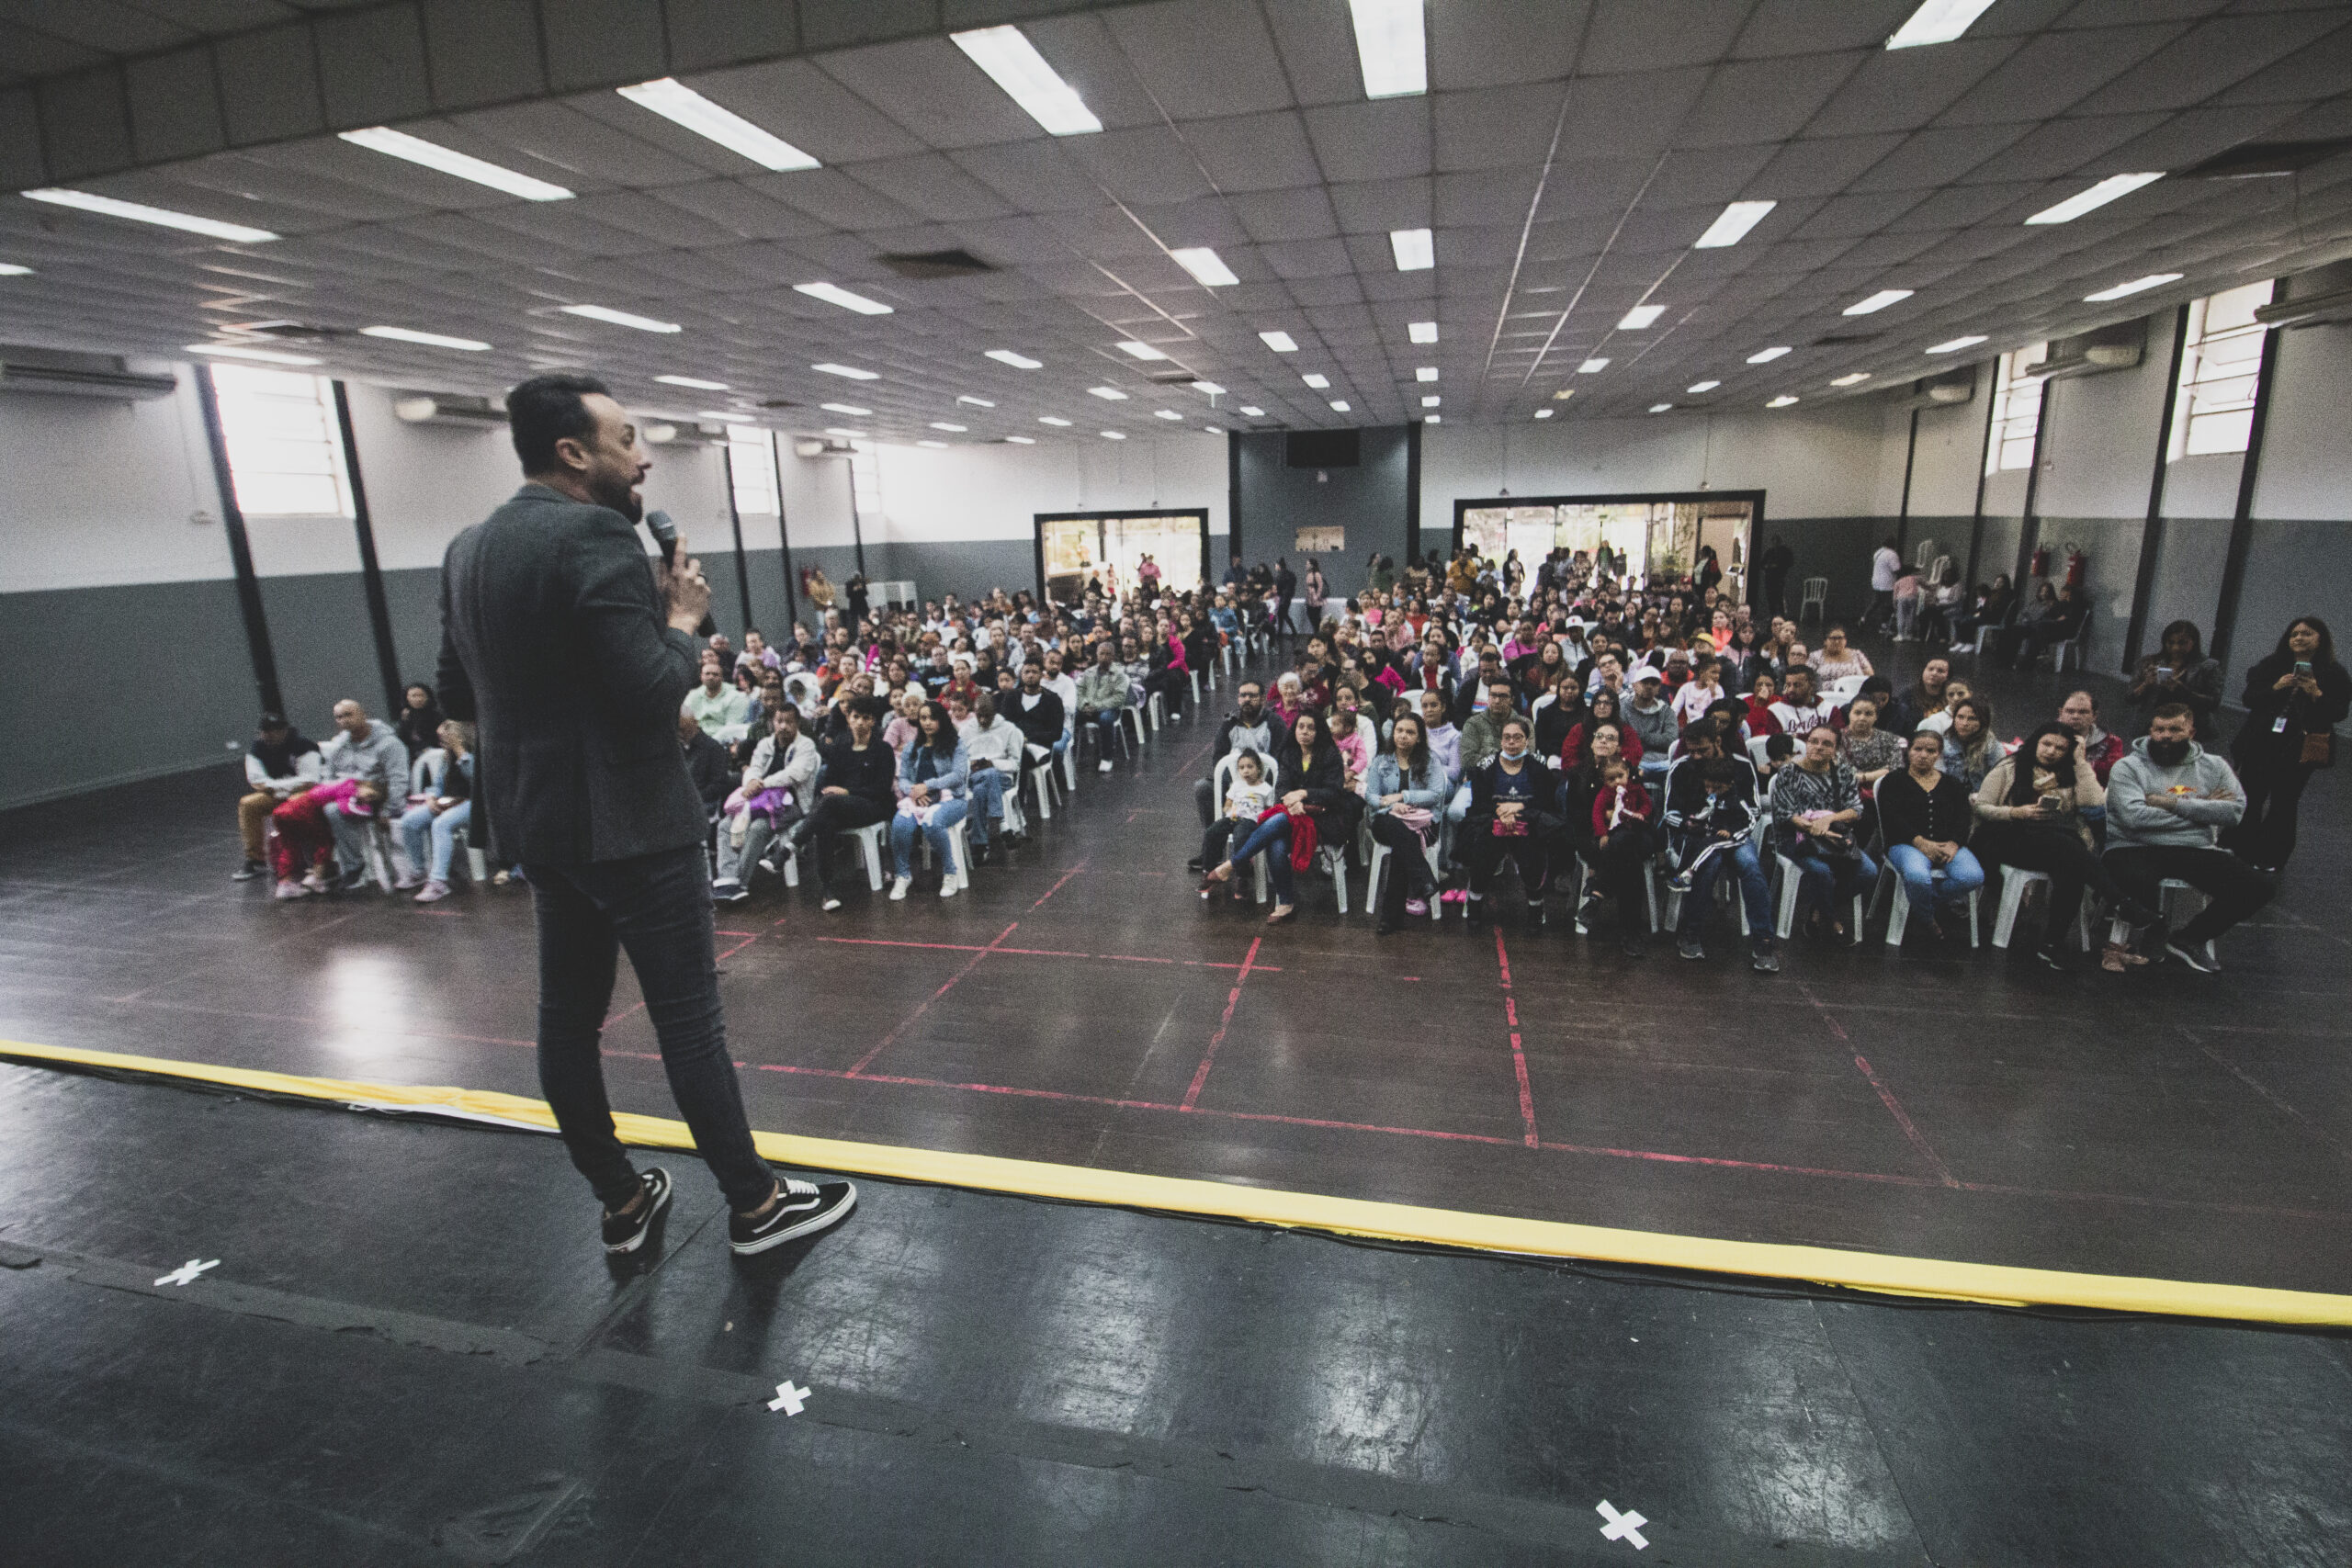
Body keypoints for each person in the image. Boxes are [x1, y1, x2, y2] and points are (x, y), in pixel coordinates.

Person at [436, 371, 854, 1258]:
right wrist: (685, 620)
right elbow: (652, 692)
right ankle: (755, 1205)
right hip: (632, 822)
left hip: (538, 827)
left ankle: (622, 1199)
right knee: (689, 1022)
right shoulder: (595, 536)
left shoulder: (468, 547)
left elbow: (453, 697)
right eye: (628, 439)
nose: (646, 455)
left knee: (566, 1019)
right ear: (573, 453)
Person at [2109, 705, 2275, 972]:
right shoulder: (2127, 767)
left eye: (2175, 729)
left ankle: (2189, 938)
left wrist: (2172, 804)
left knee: (2259, 887)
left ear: (2191, 732)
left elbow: (2234, 813)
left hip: (2194, 847)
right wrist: (2203, 808)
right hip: (2135, 846)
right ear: (2150, 731)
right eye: (2159, 729)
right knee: (2133, 876)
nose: (2166, 736)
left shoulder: (2215, 766)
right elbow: (2133, 818)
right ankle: (2156, 927)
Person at [1971, 724, 2151, 970]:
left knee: (2071, 869)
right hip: (2005, 837)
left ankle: (2052, 943)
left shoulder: (2071, 771)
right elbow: (1982, 806)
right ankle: (2120, 901)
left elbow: (2094, 801)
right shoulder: (2011, 767)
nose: (2051, 751)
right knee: (2068, 847)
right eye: (2047, 744)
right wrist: (2015, 812)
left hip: (2054, 843)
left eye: (2060, 748)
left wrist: (2080, 761)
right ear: (2036, 742)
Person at [2225, 615, 2349, 873]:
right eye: (2294, 634)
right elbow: (2250, 698)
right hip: (2263, 740)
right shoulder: (2272, 665)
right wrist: (2277, 686)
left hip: (2300, 745)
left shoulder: (2334, 672)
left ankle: (2270, 856)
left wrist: (2316, 692)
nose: (2299, 638)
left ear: (2320, 639)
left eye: (2307, 634)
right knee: (2251, 794)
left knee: (2285, 800)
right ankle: (2239, 847)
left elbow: (2338, 713)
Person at [1202, 711, 1345, 923]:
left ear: (1319, 731)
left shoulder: (1330, 755)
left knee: (1276, 822)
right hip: (1291, 814)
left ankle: (1230, 865)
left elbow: (1334, 793)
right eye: (1301, 727)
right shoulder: (1289, 754)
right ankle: (1286, 902)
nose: (1304, 731)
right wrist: (1292, 801)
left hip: (1322, 819)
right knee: (1276, 843)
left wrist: (1303, 796)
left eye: (1310, 727)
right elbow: (1281, 790)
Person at [1875, 728, 1984, 944]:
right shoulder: (1893, 781)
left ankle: (1921, 904)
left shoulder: (1952, 784)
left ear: (1939, 754)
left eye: (1930, 750)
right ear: (1909, 752)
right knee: (1917, 877)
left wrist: (1955, 843)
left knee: (1973, 876)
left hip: (1947, 843)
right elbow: (1891, 819)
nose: (1923, 755)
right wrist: (1920, 842)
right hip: (1906, 843)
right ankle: (1927, 919)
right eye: (1918, 749)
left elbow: (1964, 818)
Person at [1771, 726, 1875, 942]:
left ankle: (1818, 910)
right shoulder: (1789, 772)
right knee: (1821, 871)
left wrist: (1828, 820)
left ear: (1835, 749)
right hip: (1796, 837)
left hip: (1834, 838)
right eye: (1813, 741)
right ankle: (1831, 919)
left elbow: (1856, 810)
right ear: (1806, 743)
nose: (1818, 747)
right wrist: (1813, 828)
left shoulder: (1843, 771)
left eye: (1826, 744)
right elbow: (1785, 814)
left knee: (1869, 871)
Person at [792, 696, 896, 910]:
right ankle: (827, 889)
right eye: (855, 717)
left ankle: (792, 845)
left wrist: (847, 791)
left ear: (872, 722)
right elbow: (829, 782)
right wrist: (840, 794)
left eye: (865, 718)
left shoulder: (883, 749)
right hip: (842, 806)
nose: (859, 722)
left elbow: (881, 789)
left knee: (828, 804)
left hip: (873, 807)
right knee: (825, 822)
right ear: (848, 719)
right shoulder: (840, 746)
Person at [1560, 722, 1655, 956]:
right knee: (1624, 853)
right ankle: (1630, 931)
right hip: (1593, 834)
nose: (1604, 741)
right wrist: (1605, 817)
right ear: (1591, 743)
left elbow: (1645, 804)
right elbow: (1575, 815)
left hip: (1633, 830)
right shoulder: (1579, 773)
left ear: (1619, 747)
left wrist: (1630, 818)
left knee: (1625, 845)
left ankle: (1597, 892)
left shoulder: (1629, 772)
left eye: (1610, 738)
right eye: (1599, 736)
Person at [713, 704, 818, 902]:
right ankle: (727, 879)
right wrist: (751, 781)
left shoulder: (806, 746)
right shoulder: (765, 744)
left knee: (759, 828)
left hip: (791, 805)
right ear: (773, 723)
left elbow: (796, 774)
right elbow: (754, 768)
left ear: (797, 723)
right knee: (725, 825)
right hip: (759, 802)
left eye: (789, 721)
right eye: (779, 721)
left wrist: (762, 783)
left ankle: (739, 883)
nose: (783, 726)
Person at [1460, 716, 1557, 931]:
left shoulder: (1539, 766)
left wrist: (1519, 808)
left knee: (1532, 850)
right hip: (1492, 818)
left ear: (1526, 740)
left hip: (1529, 818)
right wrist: (1500, 812)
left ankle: (1535, 907)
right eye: (1507, 737)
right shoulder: (1486, 766)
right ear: (1501, 740)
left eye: (1517, 737)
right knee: (1485, 847)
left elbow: (1545, 800)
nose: (1512, 742)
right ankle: (1474, 901)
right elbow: (1480, 802)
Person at [1367, 711, 1447, 934]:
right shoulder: (1381, 762)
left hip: (1421, 823)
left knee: (1403, 844)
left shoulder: (1430, 760)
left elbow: (1436, 794)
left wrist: (1404, 797)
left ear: (1419, 737)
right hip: (1386, 820)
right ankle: (1424, 879)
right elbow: (1372, 797)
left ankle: (1389, 919)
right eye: (1399, 731)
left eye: (1410, 732)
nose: (1403, 736)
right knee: (1395, 827)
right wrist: (1392, 807)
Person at [319, 698, 411, 887]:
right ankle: (328, 867)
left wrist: (389, 810)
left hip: (378, 797)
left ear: (363, 715)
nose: (344, 720)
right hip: (347, 795)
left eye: (349, 715)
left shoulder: (389, 744)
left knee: (333, 811)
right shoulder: (338, 746)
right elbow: (327, 776)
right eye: (339, 717)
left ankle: (355, 867)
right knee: (313, 811)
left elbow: (398, 780)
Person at [888, 700, 969, 900]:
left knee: (932, 822)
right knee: (899, 824)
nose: (927, 722)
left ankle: (950, 872)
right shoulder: (911, 748)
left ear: (942, 720)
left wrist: (929, 785)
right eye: (923, 718)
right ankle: (903, 875)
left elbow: (958, 775)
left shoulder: (955, 744)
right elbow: (904, 778)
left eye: (933, 718)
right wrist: (915, 791)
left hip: (952, 799)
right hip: (919, 798)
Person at [269, 774, 387, 898]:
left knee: (290, 846)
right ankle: (316, 878)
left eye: (371, 800)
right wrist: (370, 812)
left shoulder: (343, 783)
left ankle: (284, 884)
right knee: (325, 842)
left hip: (284, 810)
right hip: (306, 809)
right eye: (370, 795)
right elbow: (346, 808)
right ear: (364, 785)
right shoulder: (350, 789)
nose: (367, 800)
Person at [234, 713, 322, 880]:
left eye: (275, 731)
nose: (269, 735)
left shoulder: (303, 746)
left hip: (305, 793)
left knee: (296, 802)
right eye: (265, 731)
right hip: (277, 793)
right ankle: (255, 861)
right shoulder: (257, 748)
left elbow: (310, 780)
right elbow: (256, 781)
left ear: (285, 731)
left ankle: (314, 858)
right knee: (248, 804)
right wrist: (284, 787)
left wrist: (277, 787)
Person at [395, 718, 474, 903]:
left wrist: (461, 752)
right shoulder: (446, 758)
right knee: (410, 820)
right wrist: (431, 798)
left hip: (474, 803)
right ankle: (418, 870)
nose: (442, 743)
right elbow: (438, 784)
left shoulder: (475, 754)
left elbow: (475, 779)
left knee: (441, 824)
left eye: (446, 739)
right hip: (448, 801)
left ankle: (438, 882)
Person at [1197, 749, 1276, 899]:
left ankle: (1242, 877)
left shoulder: (1265, 789)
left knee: (1240, 839)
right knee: (1212, 832)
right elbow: (1227, 804)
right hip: (1233, 817)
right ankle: (1209, 870)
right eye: (1242, 768)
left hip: (1250, 821)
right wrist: (1230, 810)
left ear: (1258, 768)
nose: (1246, 771)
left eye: (1250, 767)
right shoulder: (1237, 785)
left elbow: (1268, 810)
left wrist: (1262, 822)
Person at [2129, 620, 2223, 738]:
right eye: (2171, 642)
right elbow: (2130, 698)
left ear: (2193, 643)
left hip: (2191, 730)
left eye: (2182, 643)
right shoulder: (2149, 662)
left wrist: (2182, 690)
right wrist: (2146, 684)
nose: (2175, 648)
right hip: (2152, 726)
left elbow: (2213, 703)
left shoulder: (2208, 666)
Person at [1073, 638, 1130, 773]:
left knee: (1105, 719)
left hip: (1109, 709)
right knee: (1072, 716)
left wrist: (1096, 706)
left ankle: (1106, 757)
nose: (1104, 657)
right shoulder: (1089, 672)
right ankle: (1067, 754)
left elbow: (1119, 698)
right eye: (1101, 654)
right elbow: (1079, 690)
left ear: (1113, 656)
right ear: (1096, 655)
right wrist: (1084, 704)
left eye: (1107, 654)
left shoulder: (1119, 674)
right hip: (1088, 708)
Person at [2056, 689, 2126, 784]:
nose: (2075, 716)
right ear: (2061, 713)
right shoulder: (2043, 735)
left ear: (2094, 715)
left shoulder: (2112, 742)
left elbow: (2114, 772)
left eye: (2083, 712)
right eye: (2070, 711)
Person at [1939, 695, 2006, 791]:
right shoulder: (1942, 744)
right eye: (1960, 717)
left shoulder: (1993, 747)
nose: (1965, 723)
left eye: (1972, 718)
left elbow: (2001, 780)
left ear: (1983, 721)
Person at [683, 656, 752, 738]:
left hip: (723, 739)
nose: (711, 677)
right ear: (701, 677)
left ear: (722, 678)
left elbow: (732, 728)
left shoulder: (736, 697)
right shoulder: (693, 695)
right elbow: (684, 721)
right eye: (707, 674)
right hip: (695, 738)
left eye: (715, 675)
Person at [393, 682, 445, 760]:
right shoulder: (406, 717)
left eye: (421, 695)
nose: (418, 699)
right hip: (413, 756)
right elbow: (402, 740)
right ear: (407, 698)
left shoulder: (437, 716)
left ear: (428, 697)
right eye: (414, 696)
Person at [1808, 625, 1872, 683]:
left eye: (1840, 638)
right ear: (1825, 641)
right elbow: (1809, 680)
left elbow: (1870, 676)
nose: (1837, 642)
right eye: (1833, 638)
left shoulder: (1857, 654)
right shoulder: (1815, 656)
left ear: (1845, 640)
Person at [1868, 538, 1902, 633]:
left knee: (1876, 602)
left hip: (1876, 582)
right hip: (1887, 583)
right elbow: (1896, 569)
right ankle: (1885, 625)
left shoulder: (1878, 553)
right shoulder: (1892, 554)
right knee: (1888, 605)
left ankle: (1864, 618)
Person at [1759, 535, 1793, 617]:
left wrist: (1778, 566)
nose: (1775, 543)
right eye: (1773, 541)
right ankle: (1772, 615)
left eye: (1776, 541)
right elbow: (1762, 564)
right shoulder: (1769, 552)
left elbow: (1790, 562)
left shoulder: (1785, 552)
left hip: (1779, 578)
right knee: (1770, 598)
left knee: (1779, 597)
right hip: (1769, 578)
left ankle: (1782, 615)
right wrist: (1767, 567)